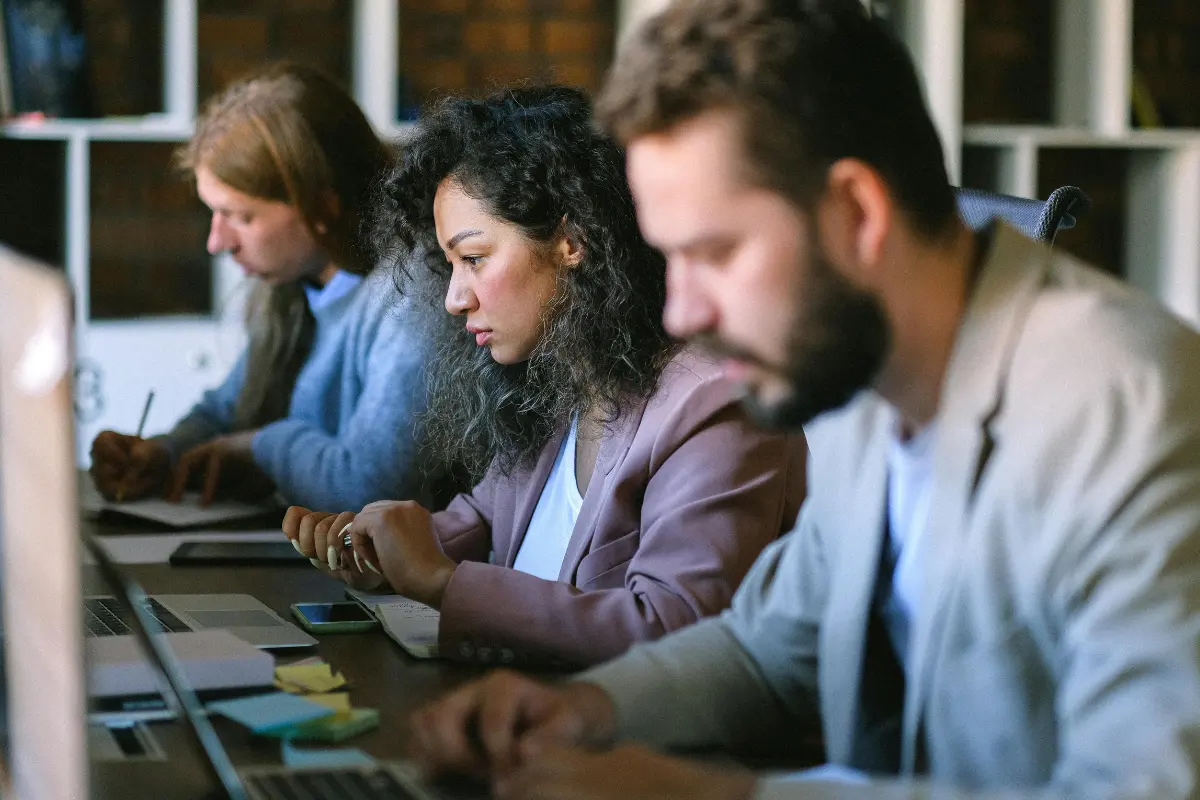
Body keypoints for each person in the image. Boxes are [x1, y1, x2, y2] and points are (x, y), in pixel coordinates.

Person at [406, 1, 1200, 798]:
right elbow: (768, 648)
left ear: (855, 214)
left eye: (712, 252)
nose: (681, 312)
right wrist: (578, 712)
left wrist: (716, 798)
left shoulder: (1130, 407)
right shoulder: (863, 383)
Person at [283, 85, 806, 669]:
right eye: (450, 265)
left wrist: (440, 582)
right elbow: (484, 519)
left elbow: (675, 630)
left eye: (475, 258)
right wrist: (380, 547)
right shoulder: (565, 373)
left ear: (572, 240)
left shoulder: (717, 404)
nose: (455, 298)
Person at [88, 62, 433, 511]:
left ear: (322, 207)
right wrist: (163, 454)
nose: (217, 242)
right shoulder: (299, 282)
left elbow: (369, 489)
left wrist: (260, 447)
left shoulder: (410, 294)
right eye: (214, 213)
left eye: (241, 216)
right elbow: (226, 412)